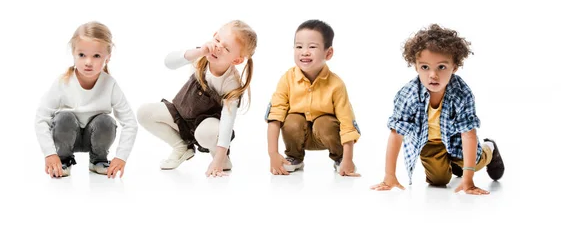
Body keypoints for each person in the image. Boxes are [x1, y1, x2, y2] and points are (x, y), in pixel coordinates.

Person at [371, 24, 505, 195]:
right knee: (438, 181)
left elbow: (468, 134)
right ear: (416, 66)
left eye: (441, 67)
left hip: (457, 139)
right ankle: (453, 166)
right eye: (425, 67)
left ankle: (489, 149)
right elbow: (396, 134)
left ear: (454, 67)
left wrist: (468, 179)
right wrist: (389, 175)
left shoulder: (462, 93)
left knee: (474, 162)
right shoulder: (408, 95)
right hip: (430, 143)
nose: (432, 75)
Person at [137, 20, 257, 177]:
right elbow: (169, 62)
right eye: (217, 40)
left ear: (236, 60)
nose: (218, 48)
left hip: (207, 126)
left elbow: (227, 122)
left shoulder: (231, 82)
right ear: (214, 35)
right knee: (144, 112)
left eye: (226, 48)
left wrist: (219, 160)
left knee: (206, 133)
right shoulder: (201, 56)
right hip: (182, 113)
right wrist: (198, 52)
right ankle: (181, 148)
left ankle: (220, 157)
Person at [34, 21, 138, 178]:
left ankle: (98, 160)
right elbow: (42, 118)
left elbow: (130, 122)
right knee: (64, 117)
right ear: (73, 54)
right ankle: (64, 159)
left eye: (96, 56)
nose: (88, 62)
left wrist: (121, 157)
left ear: (107, 58)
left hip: (95, 138)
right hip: (67, 136)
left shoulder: (110, 84)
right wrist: (50, 154)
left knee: (106, 121)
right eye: (82, 55)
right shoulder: (63, 82)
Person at [266, 19, 360, 177]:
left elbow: (347, 123)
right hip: (298, 134)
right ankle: (294, 157)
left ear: (328, 53)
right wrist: (273, 154)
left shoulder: (336, 85)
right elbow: (274, 116)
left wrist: (349, 159)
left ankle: (340, 158)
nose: (304, 52)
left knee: (324, 123)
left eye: (312, 47)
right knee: (291, 120)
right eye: (299, 46)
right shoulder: (287, 79)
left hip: (326, 134)